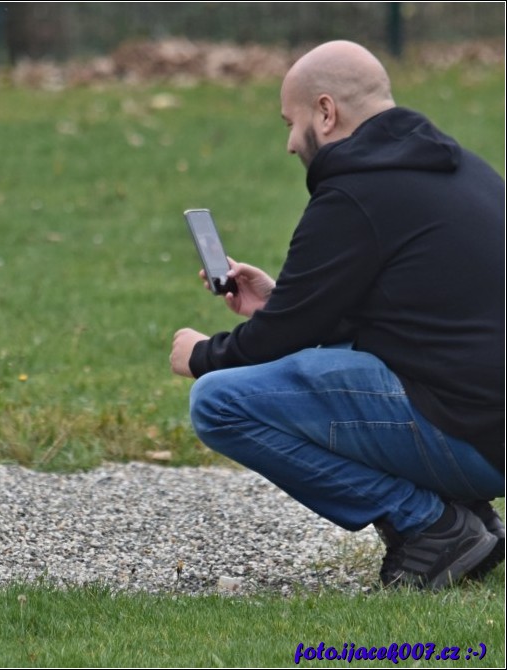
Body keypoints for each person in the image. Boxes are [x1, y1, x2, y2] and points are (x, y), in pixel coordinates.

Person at [168, 40, 505, 590]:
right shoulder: (463, 169)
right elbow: (408, 312)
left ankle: (430, 524)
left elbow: (277, 339)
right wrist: (280, 301)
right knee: (341, 355)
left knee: (218, 402)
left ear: (325, 112)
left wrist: (202, 355)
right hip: (490, 427)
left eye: (291, 122)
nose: (288, 144)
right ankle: (465, 512)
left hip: (476, 438)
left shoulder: (354, 192)